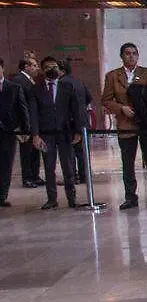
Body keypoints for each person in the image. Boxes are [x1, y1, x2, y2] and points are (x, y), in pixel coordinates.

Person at [102, 42, 147, 210]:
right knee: (128, 162)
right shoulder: (112, 76)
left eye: (134, 53)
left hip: (146, 122)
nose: (131, 56)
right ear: (122, 56)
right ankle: (130, 197)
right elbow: (106, 99)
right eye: (127, 53)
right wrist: (121, 108)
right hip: (126, 123)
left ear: (138, 56)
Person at [28, 56, 84, 210]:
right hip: (46, 134)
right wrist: (35, 135)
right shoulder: (36, 89)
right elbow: (33, 113)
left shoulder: (67, 86)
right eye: (47, 67)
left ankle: (71, 198)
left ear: (59, 69)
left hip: (65, 132)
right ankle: (52, 199)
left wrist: (78, 131)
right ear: (42, 70)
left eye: (53, 67)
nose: (50, 70)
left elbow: (75, 110)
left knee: (68, 166)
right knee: (48, 166)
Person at [0, 58, 30, 207]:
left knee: (6, 164)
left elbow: (22, 108)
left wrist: (25, 129)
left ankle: (2, 196)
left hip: (8, 132)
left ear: (2, 69)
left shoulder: (13, 87)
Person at [12, 57, 43, 188]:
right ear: (26, 67)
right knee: (26, 151)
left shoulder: (31, 81)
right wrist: (20, 125)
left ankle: (35, 176)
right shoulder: (18, 80)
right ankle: (27, 178)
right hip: (25, 123)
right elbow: (17, 104)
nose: (37, 68)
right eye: (34, 66)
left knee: (35, 149)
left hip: (34, 121)